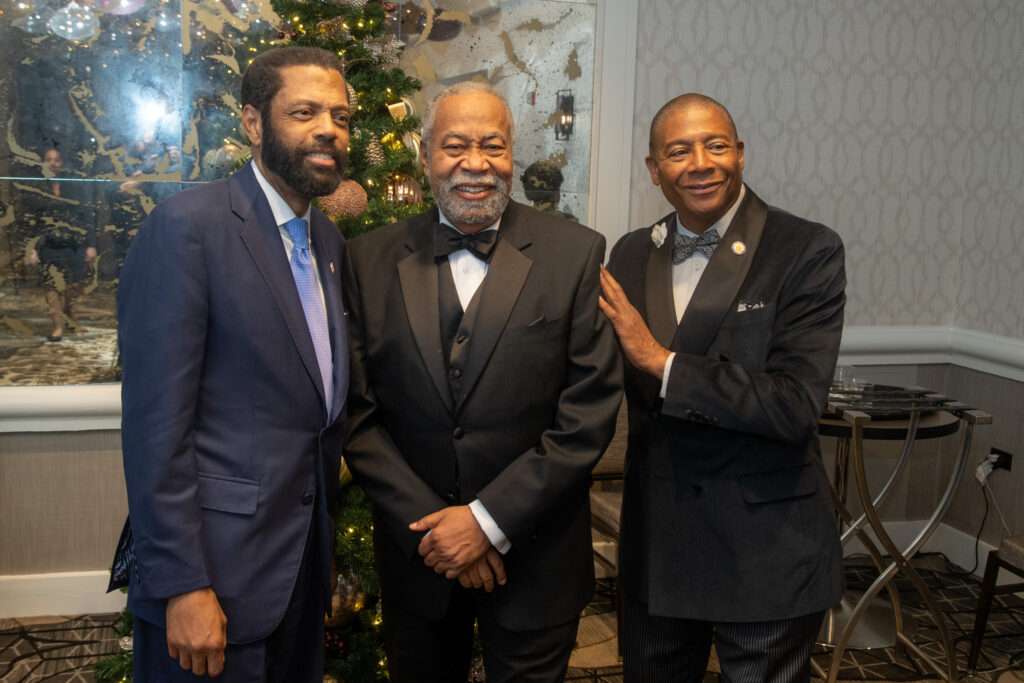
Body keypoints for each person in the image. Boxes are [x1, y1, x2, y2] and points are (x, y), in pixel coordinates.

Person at [342, 81, 622, 683]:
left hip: (537, 558)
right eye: (455, 146)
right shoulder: (366, 260)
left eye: (492, 145)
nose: (475, 164)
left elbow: (587, 416)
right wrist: (441, 530)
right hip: (419, 560)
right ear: (425, 157)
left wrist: (486, 521)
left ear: (512, 154)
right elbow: (358, 416)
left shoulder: (575, 253)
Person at [118, 46, 351, 682]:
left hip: (297, 567)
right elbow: (154, 432)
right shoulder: (187, 230)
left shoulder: (327, 241)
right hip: (212, 578)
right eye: (304, 112)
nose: (328, 128)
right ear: (253, 123)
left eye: (340, 115)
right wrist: (182, 585)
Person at [599, 93, 845, 682]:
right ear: (654, 170)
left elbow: (794, 406)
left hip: (765, 545)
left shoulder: (806, 249)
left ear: (740, 155)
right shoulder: (632, 251)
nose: (701, 163)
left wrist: (664, 363)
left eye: (715, 145)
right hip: (658, 545)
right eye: (678, 151)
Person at [24, 147, 97, 341]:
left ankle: (72, 318)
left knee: (71, 286)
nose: (52, 163)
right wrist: (32, 248)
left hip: (72, 243)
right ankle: (57, 326)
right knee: (51, 286)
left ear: (61, 162)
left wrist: (90, 245)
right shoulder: (38, 187)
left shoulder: (73, 185)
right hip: (47, 245)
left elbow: (85, 216)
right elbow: (32, 220)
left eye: (56, 160)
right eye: (48, 159)